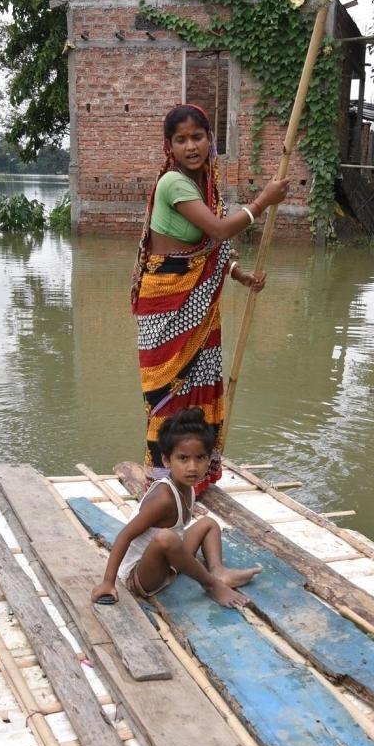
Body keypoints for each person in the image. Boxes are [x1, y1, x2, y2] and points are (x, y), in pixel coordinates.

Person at [132, 103, 287, 491]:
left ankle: (195, 475)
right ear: (169, 147)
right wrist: (262, 202)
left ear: (210, 141)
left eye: (197, 137)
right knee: (168, 391)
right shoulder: (174, 183)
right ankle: (163, 477)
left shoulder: (206, 186)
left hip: (198, 311)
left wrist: (239, 273)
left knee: (199, 384)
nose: (191, 146)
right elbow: (218, 231)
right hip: (167, 306)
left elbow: (206, 252)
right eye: (181, 140)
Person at [92, 407, 260, 609]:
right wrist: (108, 583)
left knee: (208, 524)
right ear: (166, 460)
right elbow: (125, 536)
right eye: (183, 458)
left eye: (200, 458)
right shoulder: (163, 497)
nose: (192, 467)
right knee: (166, 538)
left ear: (209, 459)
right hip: (141, 575)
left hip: (169, 559)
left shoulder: (187, 486)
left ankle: (217, 571)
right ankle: (212, 584)